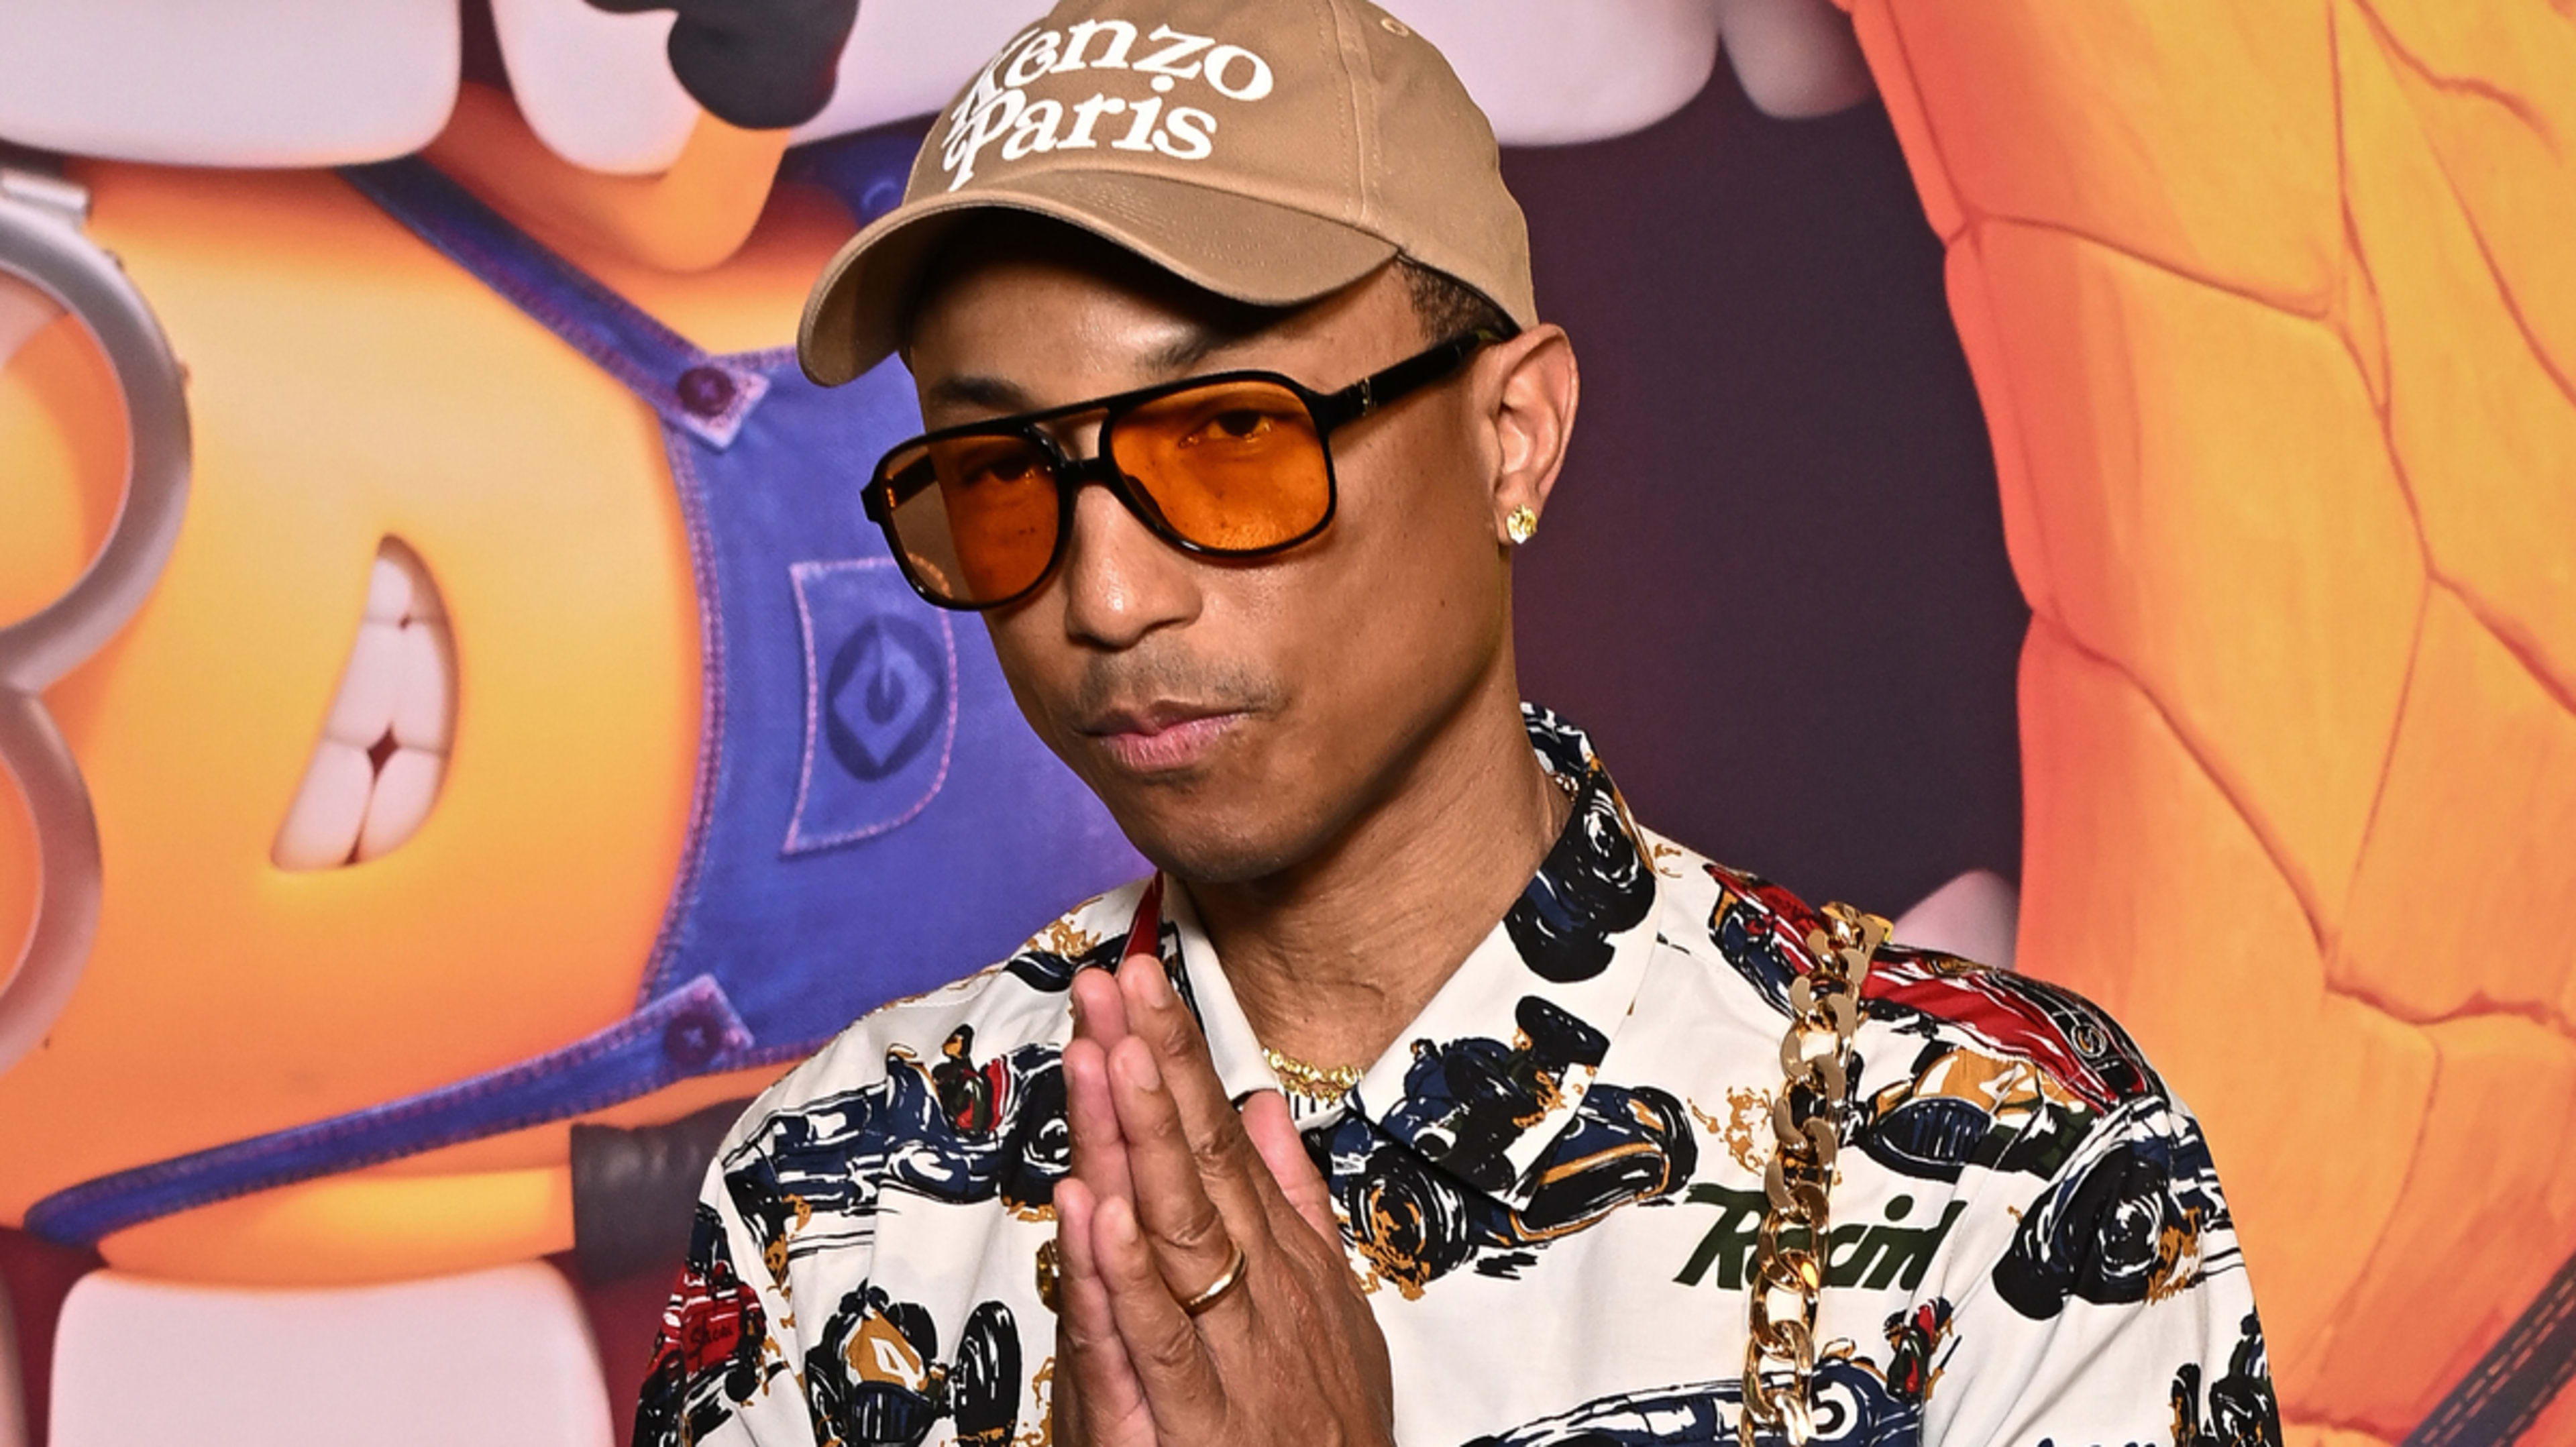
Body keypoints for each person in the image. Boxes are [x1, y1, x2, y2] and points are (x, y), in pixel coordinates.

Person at [635, 3, 2283, 1444]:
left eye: (1226, 439)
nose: (1106, 594)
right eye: (999, 480)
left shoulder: (2002, 1157)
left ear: (1515, 437)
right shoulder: (840, 1191)